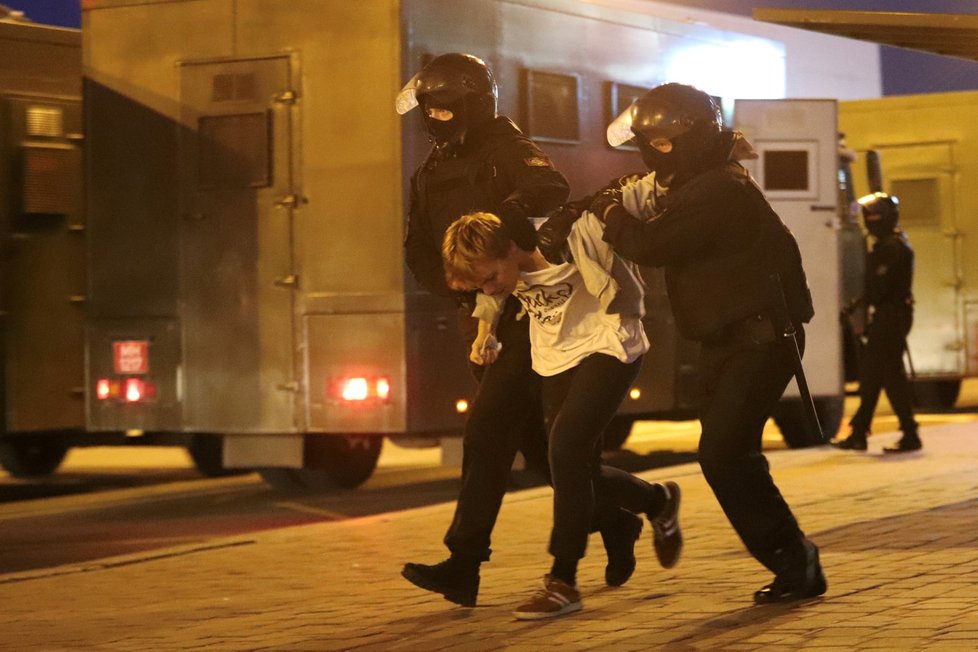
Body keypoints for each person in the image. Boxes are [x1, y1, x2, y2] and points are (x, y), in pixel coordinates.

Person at [540, 83, 826, 604]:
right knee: (724, 455)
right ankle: (794, 560)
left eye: (663, 143)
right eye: (648, 143)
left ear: (690, 137)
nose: (654, 153)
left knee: (722, 455)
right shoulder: (697, 183)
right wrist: (592, 204)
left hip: (758, 338)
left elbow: (651, 244)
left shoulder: (719, 189)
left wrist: (609, 215)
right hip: (729, 340)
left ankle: (796, 561)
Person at [395, 52, 646, 608]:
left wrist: (502, 240)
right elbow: (417, 245)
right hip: (483, 311)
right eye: (429, 108)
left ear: (473, 103)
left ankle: (466, 563)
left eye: (446, 106)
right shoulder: (431, 168)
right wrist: (465, 292)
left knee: (489, 435)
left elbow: (549, 189)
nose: (436, 116)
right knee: (543, 456)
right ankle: (621, 518)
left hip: (527, 312)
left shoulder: (506, 147)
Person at [443, 211, 682, 620]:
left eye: (490, 276)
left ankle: (562, 580)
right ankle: (657, 500)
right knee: (575, 470)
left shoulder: (569, 240)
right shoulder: (503, 271)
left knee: (567, 447)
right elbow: (491, 297)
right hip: (556, 357)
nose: (488, 288)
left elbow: (629, 205)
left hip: (609, 346)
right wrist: (486, 335)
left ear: (512, 249)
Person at [832, 193, 920, 453]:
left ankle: (909, 433)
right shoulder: (896, 243)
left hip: (889, 317)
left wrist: (856, 306)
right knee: (873, 376)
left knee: (890, 377)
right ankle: (859, 433)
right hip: (892, 316)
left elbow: (878, 289)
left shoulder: (888, 249)